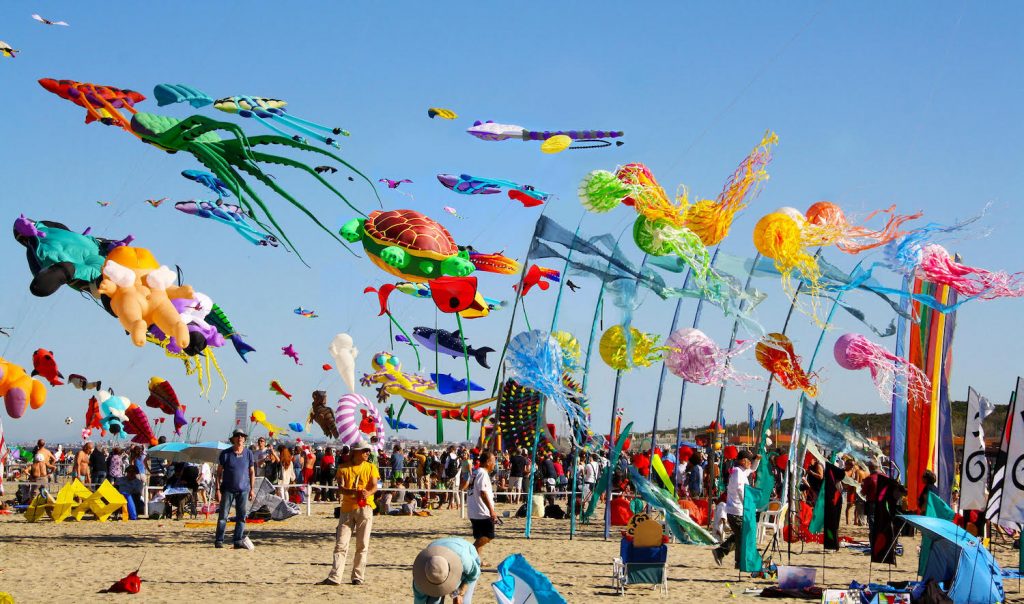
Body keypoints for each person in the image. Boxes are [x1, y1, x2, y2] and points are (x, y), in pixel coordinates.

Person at [321, 440, 378, 586]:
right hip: (347, 508)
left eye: (368, 450)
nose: (367, 453)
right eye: (365, 450)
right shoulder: (343, 468)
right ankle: (335, 577)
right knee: (341, 544)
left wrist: (367, 492)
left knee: (362, 544)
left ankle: (358, 576)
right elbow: (340, 488)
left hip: (365, 507)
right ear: (356, 452)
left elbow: (374, 486)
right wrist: (353, 492)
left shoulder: (371, 467)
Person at [712, 450, 760, 567]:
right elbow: (740, 490)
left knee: (741, 535)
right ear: (743, 461)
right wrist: (747, 505)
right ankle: (738, 561)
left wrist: (757, 460)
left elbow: (752, 469)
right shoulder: (738, 472)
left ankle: (721, 551)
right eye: (750, 460)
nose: (751, 463)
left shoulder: (742, 471)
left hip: (738, 510)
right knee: (743, 536)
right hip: (736, 510)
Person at [214, 430, 256, 549]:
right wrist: (217, 489)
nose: (240, 438)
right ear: (233, 439)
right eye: (237, 436)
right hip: (227, 489)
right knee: (223, 516)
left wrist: (252, 489)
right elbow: (218, 473)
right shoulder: (226, 454)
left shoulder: (248, 453)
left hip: (243, 490)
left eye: (242, 436)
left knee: (241, 516)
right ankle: (219, 540)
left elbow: (252, 472)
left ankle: (237, 540)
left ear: (244, 439)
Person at [412, 537, 481, 604]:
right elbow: (419, 601)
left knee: (464, 602)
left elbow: (474, 574)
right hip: (436, 546)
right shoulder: (419, 582)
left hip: (465, 557)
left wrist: (461, 590)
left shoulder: (464, 559)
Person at [465, 450, 497, 559]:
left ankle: (477, 561)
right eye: (493, 461)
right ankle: (470, 552)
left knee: (479, 536)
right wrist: (491, 510)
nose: (494, 464)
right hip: (481, 511)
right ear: (487, 462)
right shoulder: (482, 473)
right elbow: (483, 493)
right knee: (488, 536)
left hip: (474, 510)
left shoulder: (475, 472)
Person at [861, 461, 880, 532]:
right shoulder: (885, 477)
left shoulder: (869, 478)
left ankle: (873, 537)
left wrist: (862, 487)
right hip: (883, 502)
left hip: (872, 502)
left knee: (872, 520)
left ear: (870, 468)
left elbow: (863, 492)